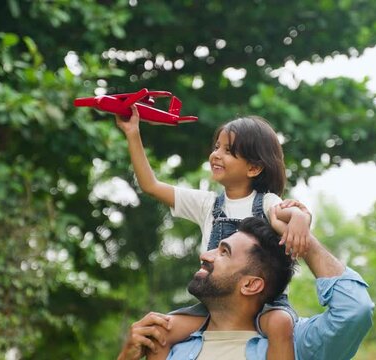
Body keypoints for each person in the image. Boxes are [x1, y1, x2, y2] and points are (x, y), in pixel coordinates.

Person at [115, 106, 311, 359]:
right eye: (216, 147)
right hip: (215, 306)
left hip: (265, 306)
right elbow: (150, 185)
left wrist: (300, 218)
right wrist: (133, 132)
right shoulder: (207, 205)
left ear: (253, 168)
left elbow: (292, 213)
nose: (216, 155)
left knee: (280, 325)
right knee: (159, 332)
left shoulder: (265, 202)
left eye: (228, 151)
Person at [118, 216, 374, 360]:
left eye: (223, 252)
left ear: (251, 284)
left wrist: (301, 240)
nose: (205, 255)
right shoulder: (170, 344)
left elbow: (355, 309)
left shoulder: (293, 344)